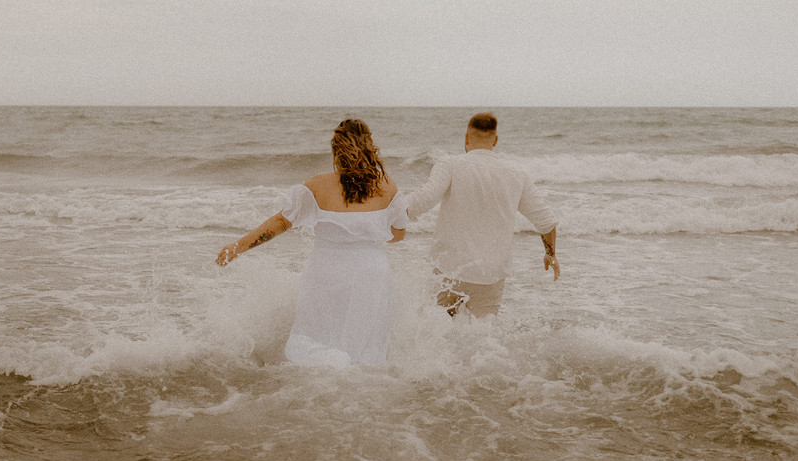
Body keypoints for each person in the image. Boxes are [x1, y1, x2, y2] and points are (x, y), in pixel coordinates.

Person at [216, 119, 407, 369]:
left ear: (336, 150)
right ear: (371, 147)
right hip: (371, 274)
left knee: (318, 341)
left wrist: (238, 247)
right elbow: (398, 234)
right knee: (365, 350)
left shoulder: (317, 185)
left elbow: (281, 222)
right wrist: (366, 234)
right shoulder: (387, 186)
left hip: (326, 271)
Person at [406, 112, 559, 318]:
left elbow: (424, 198)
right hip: (490, 274)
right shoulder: (517, 174)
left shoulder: (450, 164)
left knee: (437, 329)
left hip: (450, 269)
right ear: (495, 140)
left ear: (466, 138)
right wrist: (551, 254)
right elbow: (546, 222)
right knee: (483, 335)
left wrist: (390, 212)